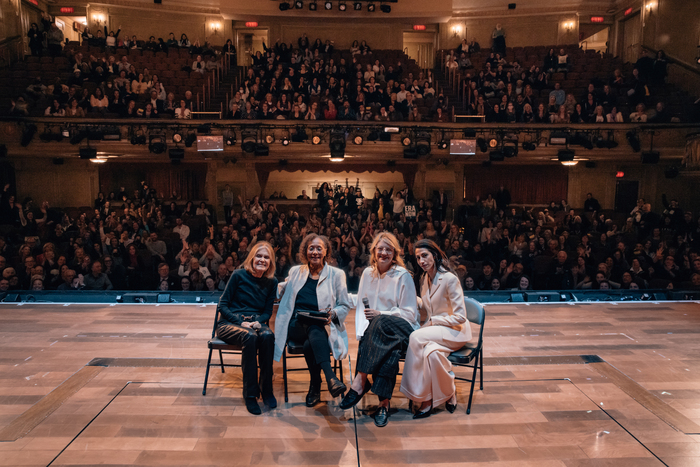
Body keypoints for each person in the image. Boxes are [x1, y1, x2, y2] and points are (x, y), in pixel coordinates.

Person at [338, 232, 419, 428]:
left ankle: (361, 380)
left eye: (388, 249)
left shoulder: (403, 276)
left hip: (404, 329)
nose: (384, 253)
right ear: (373, 251)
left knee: (380, 322)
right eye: (380, 249)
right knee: (388, 349)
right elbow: (360, 304)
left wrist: (381, 314)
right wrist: (362, 332)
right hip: (382, 335)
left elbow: (410, 314)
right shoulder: (367, 274)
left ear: (394, 253)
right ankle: (384, 405)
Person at [274, 234, 351, 407]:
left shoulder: (337, 275)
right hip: (296, 325)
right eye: (311, 248)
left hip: (322, 326)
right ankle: (331, 377)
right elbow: (282, 288)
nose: (315, 252)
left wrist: (334, 314)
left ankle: (315, 385)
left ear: (325, 251)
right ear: (305, 251)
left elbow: (345, 305)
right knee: (311, 324)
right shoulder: (296, 272)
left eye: (319, 248)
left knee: (312, 341)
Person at [400, 240, 471, 418]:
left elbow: (461, 316)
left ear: (435, 255)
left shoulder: (449, 279)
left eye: (425, 255)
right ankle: (449, 392)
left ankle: (418, 394)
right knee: (431, 353)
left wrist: (434, 321)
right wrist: (410, 296)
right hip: (438, 332)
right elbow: (427, 304)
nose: (421, 261)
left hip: (455, 330)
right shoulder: (424, 278)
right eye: (418, 258)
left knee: (415, 337)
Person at [215, 241, 278, 415]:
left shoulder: (271, 282)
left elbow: (267, 312)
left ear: (270, 262)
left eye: (266, 257)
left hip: (255, 323)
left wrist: (259, 321)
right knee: (250, 337)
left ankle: (266, 390)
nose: (262, 260)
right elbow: (223, 305)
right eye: (259, 256)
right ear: (252, 257)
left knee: (267, 336)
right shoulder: (238, 275)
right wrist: (239, 321)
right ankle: (250, 395)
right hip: (229, 323)